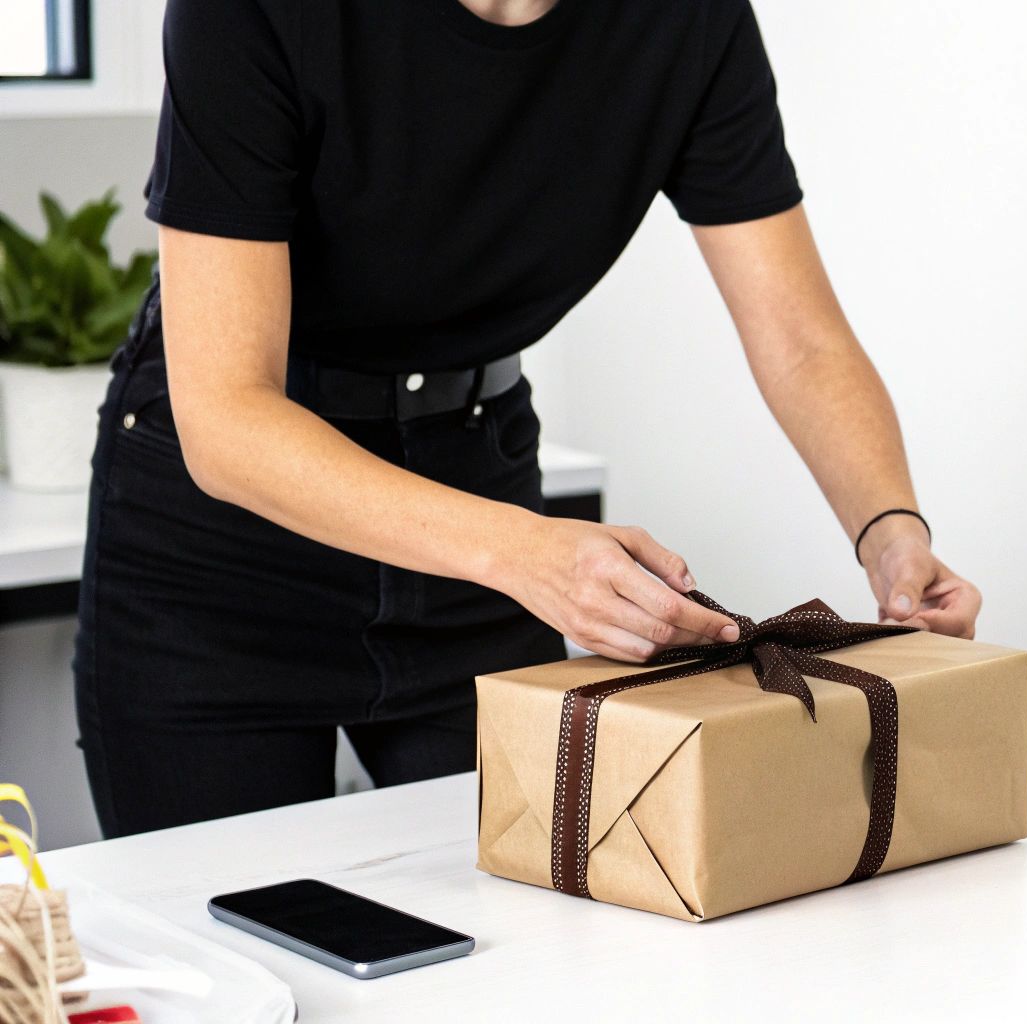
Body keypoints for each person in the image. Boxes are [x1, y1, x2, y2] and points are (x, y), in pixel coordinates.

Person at [74, 0, 981, 839]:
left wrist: (889, 530)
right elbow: (227, 416)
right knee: (223, 965)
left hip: (474, 477)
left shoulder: (689, 20)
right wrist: (525, 553)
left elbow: (801, 340)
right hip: (227, 553)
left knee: (532, 935)